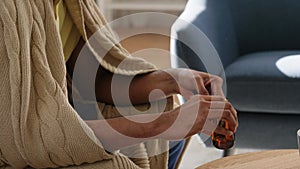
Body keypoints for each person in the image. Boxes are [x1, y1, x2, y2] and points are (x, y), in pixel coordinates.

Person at [0, 0, 238, 169]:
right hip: (19, 147)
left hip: (53, 127)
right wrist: (163, 124)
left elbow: (94, 80)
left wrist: (173, 79)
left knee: (162, 117)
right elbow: (30, 137)